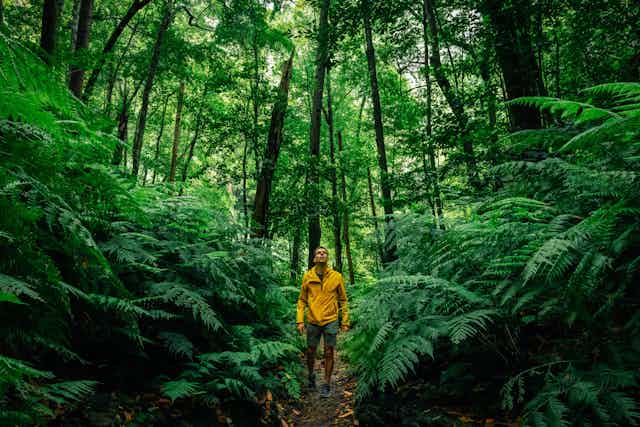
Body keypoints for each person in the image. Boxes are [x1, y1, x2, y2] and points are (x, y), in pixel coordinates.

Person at [296, 246, 350, 398]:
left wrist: (345, 321)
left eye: (324, 252)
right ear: (314, 258)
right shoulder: (307, 276)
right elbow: (301, 300)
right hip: (312, 319)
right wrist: (300, 321)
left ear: (327, 258)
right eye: (318, 252)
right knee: (311, 351)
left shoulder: (336, 276)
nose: (321, 254)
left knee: (329, 351)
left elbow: (343, 300)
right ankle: (311, 374)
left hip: (331, 319)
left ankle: (326, 383)